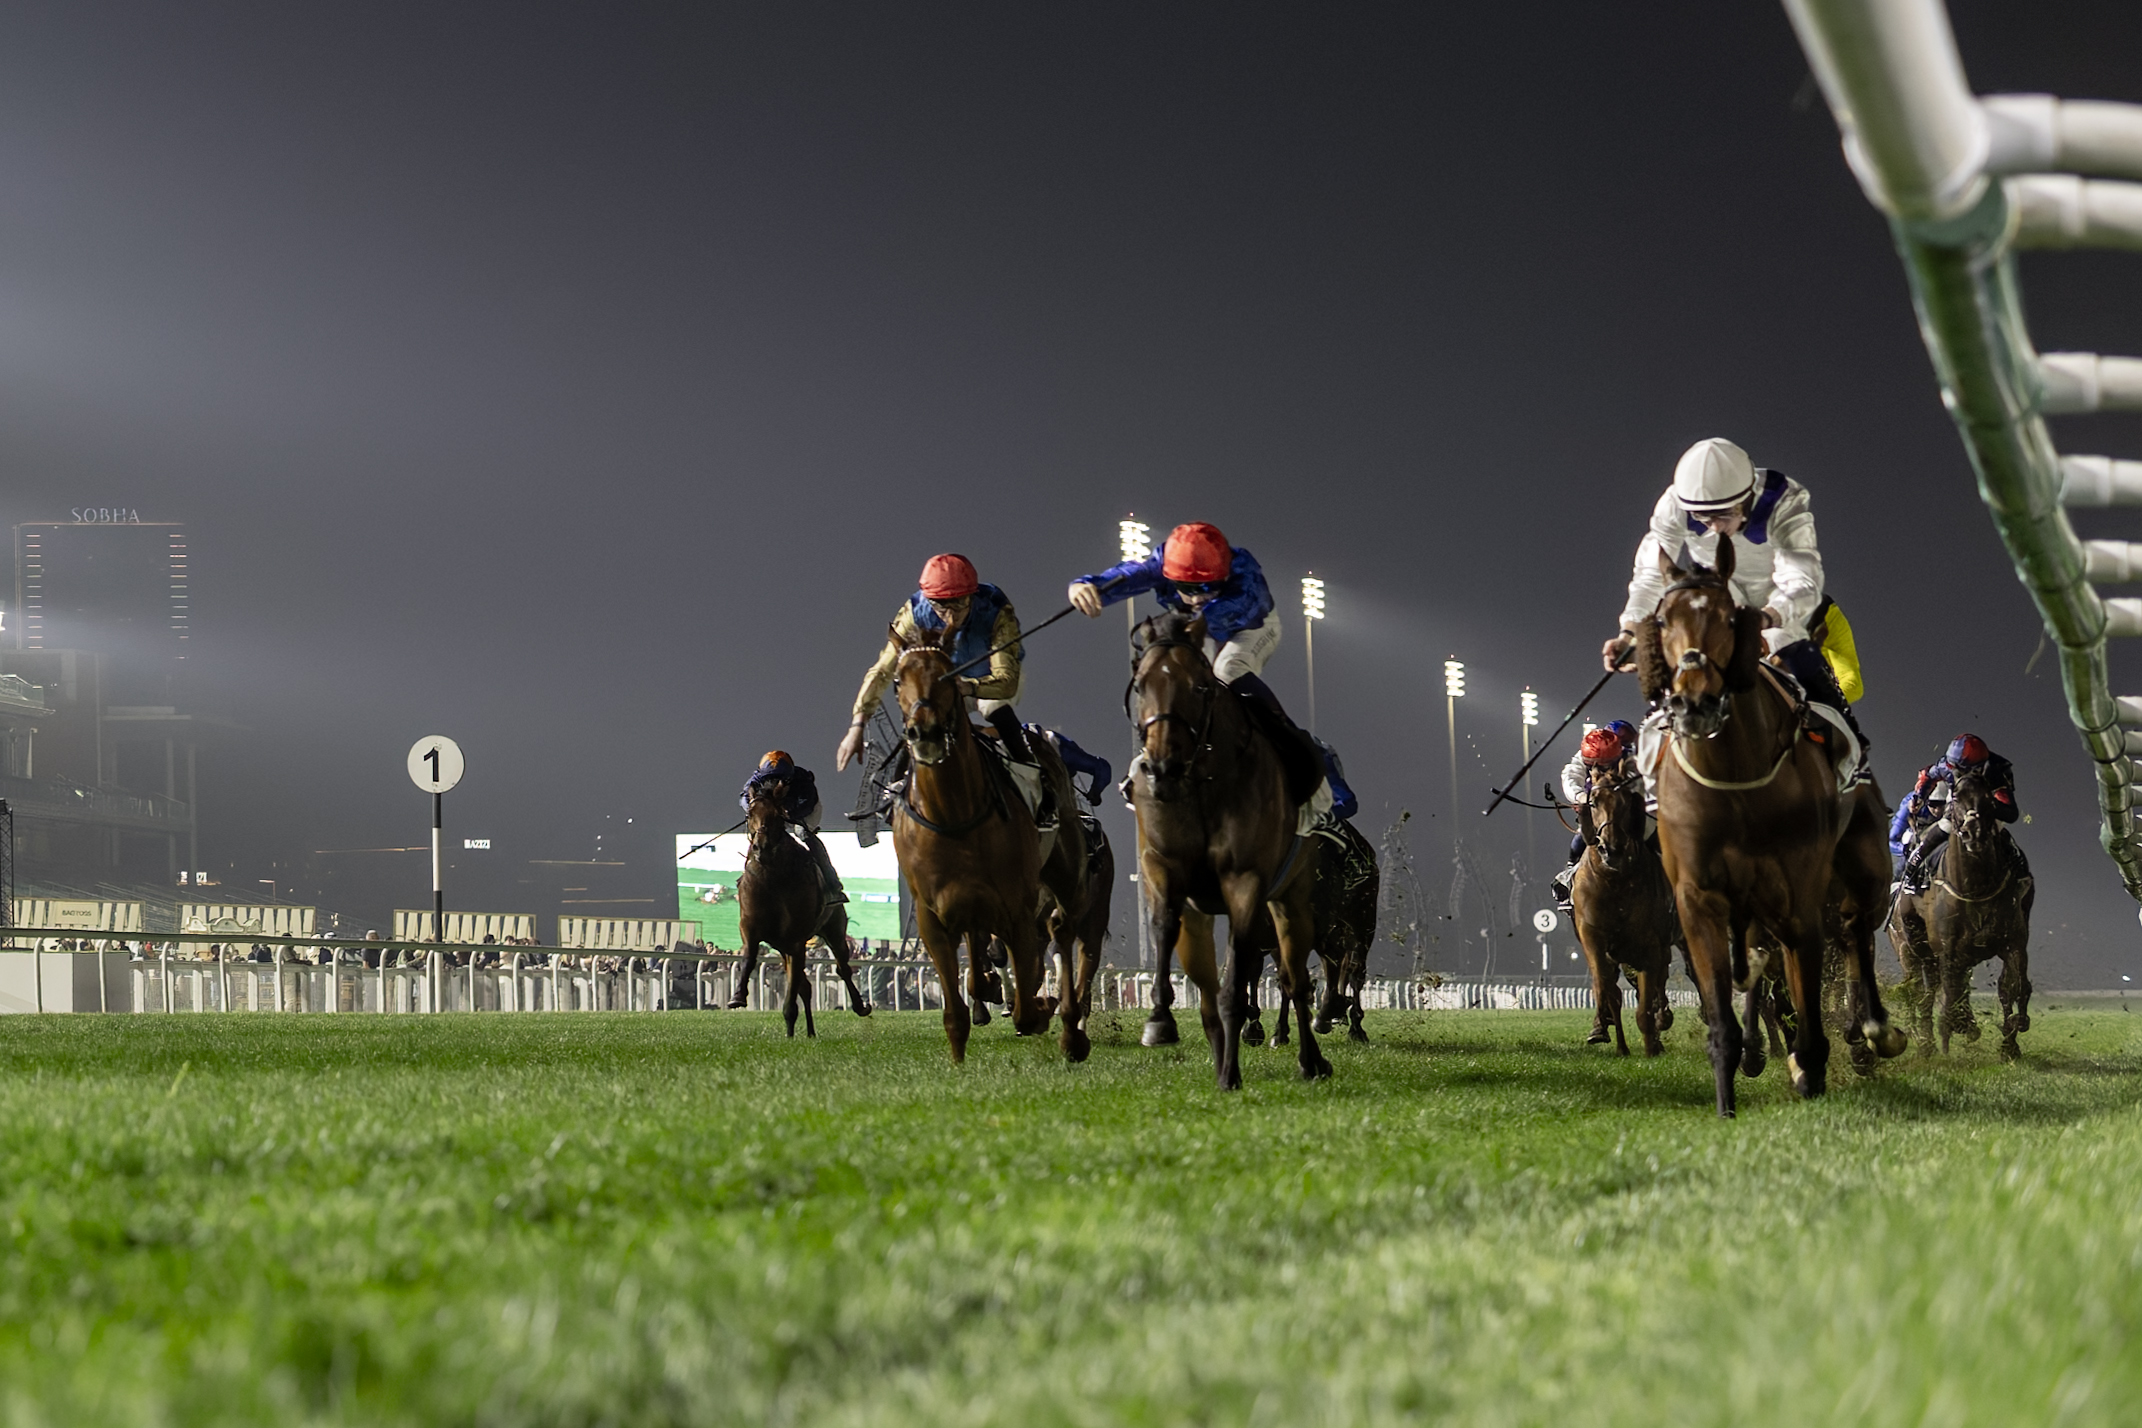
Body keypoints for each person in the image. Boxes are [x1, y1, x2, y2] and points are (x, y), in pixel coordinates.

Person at [1067, 520, 1356, 811]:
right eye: (1185, 587)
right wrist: (1089, 586)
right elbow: (1132, 575)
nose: (1195, 597)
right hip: (1198, 629)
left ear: (1224, 574)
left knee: (1227, 671)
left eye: (1206, 587)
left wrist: (1177, 626)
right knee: (1175, 677)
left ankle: (1305, 749)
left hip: (1252, 629)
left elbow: (1213, 616)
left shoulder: (1245, 575)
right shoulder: (1164, 562)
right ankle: (1154, 755)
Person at [1602, 437, 1869, 752]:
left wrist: (1765, 618)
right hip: (1719, 603)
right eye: (1703, 518)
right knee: (1683, 661)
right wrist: (1629, 630)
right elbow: (1650, 575)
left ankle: (1851, 752)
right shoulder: (1674, 505)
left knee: (1799, 658)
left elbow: (1801, 580)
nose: (1714, 528)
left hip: (1777, 605)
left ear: (1747, 496)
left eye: (1723, 515)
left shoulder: (1784, 500)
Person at [836, 552, 1055, 828]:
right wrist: (857, 725)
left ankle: (1037, 783)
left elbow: (1006, 679)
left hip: (988, 681)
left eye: (959, 604)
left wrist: (969, 687)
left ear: (972, 596)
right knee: (922, 716)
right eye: (940, 606)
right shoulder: (915, 612)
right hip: (941, 684)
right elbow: (882, 671)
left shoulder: (995, 609)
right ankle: (894, 788)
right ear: (929, 600)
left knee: (995, 709)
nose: (950, 616)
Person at [1890, 734, 2020, 889]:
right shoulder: (1947, 765)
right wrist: (1920, 796)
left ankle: (2020, 872)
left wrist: (1987, 806)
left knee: (2002, 838)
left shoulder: (1997, 772)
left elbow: (2011, 812)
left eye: (1957, 768)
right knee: (1932, 838)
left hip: (1985, 811)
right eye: (1951, 765)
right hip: (1957, 806)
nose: (1951, 769)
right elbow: (1928, 776)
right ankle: (1911, 873)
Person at [1550, 721, 1639, 912]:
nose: (1597, 769)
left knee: (1650, 831)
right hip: (1596, 809)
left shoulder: (1631, 758)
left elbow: (1637, 780)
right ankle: (1570, 873)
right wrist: (1580, 796)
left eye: (1604, 766)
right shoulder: (1583, 755)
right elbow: (1571, 775)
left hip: (1626, 808)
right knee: (1580, 838)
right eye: (1592, 765)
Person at [741, 750, 846, 904]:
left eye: (780, 778)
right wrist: (752, 808)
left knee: (803, 833)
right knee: (760, 833)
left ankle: (832, 884)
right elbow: (744, 797)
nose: (775, 781)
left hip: (803, 811)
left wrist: (789, 813)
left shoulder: (802, 780)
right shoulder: (756, 779)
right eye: (770, 777)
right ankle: (746, 877)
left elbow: (808, 805)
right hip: (776, 811)